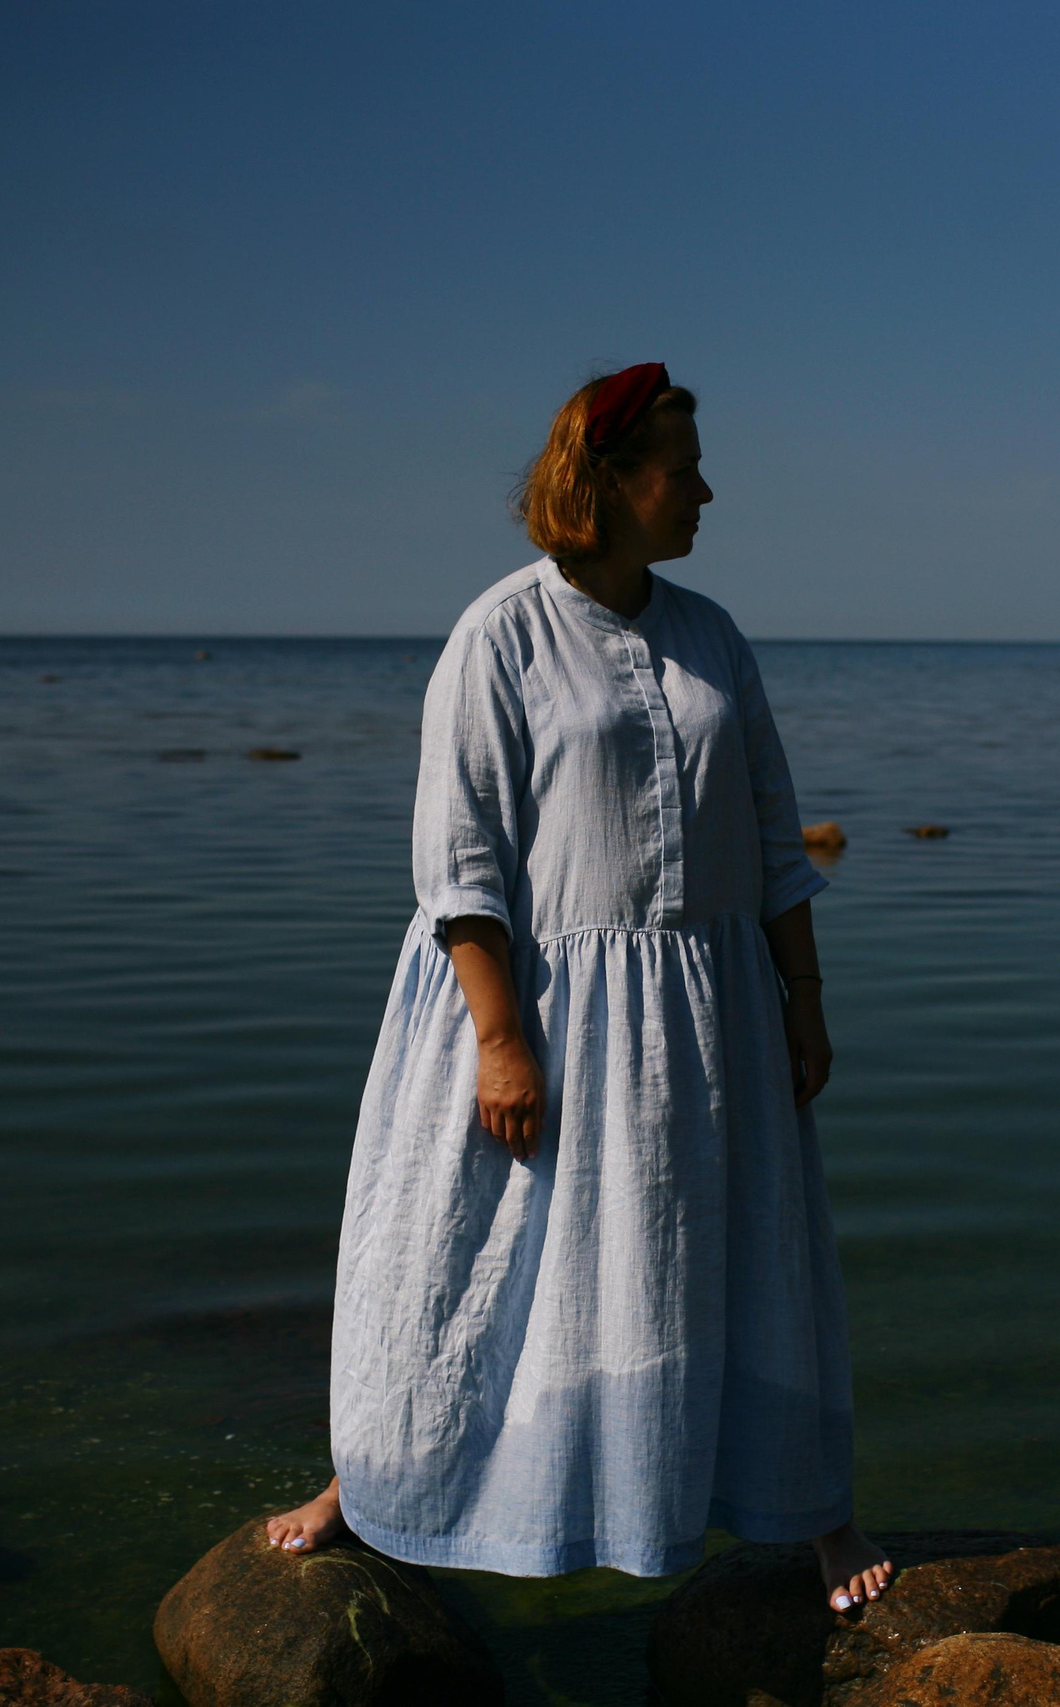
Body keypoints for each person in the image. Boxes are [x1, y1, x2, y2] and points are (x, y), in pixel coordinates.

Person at [263, 364, 892, 1613]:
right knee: (470, 1263)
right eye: (682, 471)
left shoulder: (711, 634)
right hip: (539, 1006)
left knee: (734, 1255)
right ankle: (372, 1485)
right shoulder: (500, 633)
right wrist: (501, 1039)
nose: (705, 493)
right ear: (607, 482)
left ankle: (811, 1510)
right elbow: (459, 858)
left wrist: (804, 999)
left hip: (709, 1012)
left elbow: (773, 830)